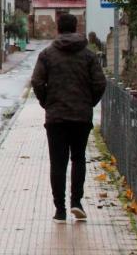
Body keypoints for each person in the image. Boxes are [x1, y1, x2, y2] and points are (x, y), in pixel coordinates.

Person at [31, 13, 107, 223]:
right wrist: (88, 102)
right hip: (81, 117)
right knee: (79, 158)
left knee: (58, 163)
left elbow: (37, 82)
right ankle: (77, 202)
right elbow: (100, 83)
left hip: (56, 118)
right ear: (75, 28)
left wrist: (47, 102)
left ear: (58, 28)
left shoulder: (47, 55)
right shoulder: (89, 55)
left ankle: (60, 210)